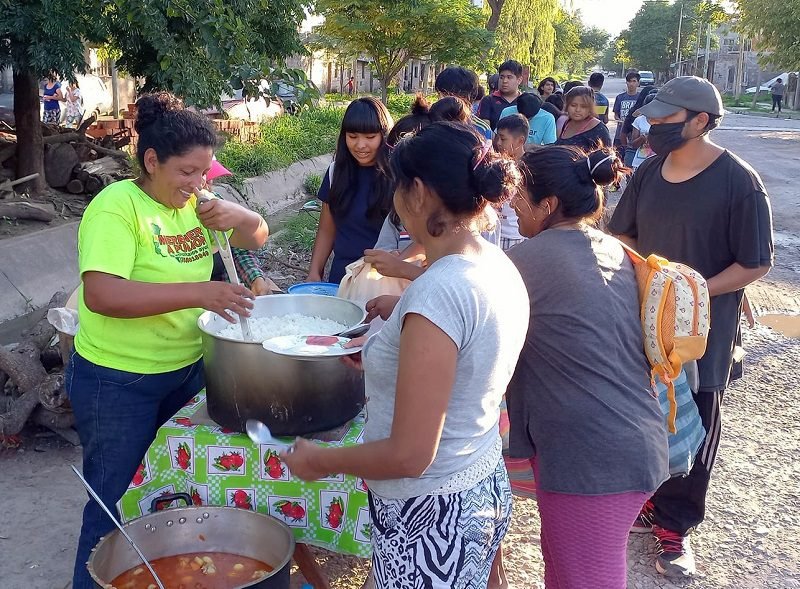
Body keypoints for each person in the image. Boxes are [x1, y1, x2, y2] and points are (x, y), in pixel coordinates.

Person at [283, 122, 529, 588]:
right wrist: (392, 339)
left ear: (416, 193)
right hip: (479, 480)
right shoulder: (493, 263)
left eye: (396, 185)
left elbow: (411, 454)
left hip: (431, 513)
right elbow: (469, 349)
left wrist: (322, 462)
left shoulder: (438, 294)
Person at [67, 92, 268, 589]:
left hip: (185, 373)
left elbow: (257, 237)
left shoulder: (197, 204)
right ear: (151, 161)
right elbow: (103, 294)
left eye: (204, 172)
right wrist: (199, 292)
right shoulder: (117, 208)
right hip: (118, 380)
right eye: (186, 172)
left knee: (175, 492)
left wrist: (239, 217)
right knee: (113, 503)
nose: (197, 183)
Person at [608, 76, 774, 578]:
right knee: (641, 412)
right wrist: (646, 279)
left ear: (700, 121)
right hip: (645, 323)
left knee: (694, 419)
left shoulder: (738, 181)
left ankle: (676, 527)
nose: (653, 127)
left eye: (666, 120)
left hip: (704, 332)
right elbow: (623, 233)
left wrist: (693, 289)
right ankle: (645, 500)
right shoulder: (649, 172)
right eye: (653, 119)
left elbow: (756, 262)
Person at [508, 144, 669, 589]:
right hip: (622, 441)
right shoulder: (610, 247)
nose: (511, 206)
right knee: (563, 567)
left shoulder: (529, 259)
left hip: (592, 458)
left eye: (518, 195)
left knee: (585, 578)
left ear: (549, 204)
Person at [307, 97, 394, 284]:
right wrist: (315, 272)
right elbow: (326, 229)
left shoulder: (398, 176)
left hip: (383, 280)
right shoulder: (335, 172)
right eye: (353, 137)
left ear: (384, 135)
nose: (360, 145)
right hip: (343, 278)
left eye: (370, 137)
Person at [206, 158, 279, 295]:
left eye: (210, 178)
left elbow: (239, 249)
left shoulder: (215, 204)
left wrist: (256, 279)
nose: (208, 185)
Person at [493, 114, 528, 251]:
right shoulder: (495, 164)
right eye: (498, 138)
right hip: (494, 231)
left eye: (503, 139)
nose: (499, 143)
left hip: (514, 235)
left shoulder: (528, 169)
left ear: (520, 141)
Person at [434, 65, 493, 140]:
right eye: (442, 95)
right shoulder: (427, 121)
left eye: (454, 97)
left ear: (471, 97)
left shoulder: (481, 129)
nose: (448, 101)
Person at [556, 87, 611, 151]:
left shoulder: (598, 128)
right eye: (573, 105)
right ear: (567, 105)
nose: (577, 110)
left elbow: (608, 156)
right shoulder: (567, 123)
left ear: (590, 108)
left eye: (583, 106)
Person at [478, 59, 524, 130]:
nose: (504, 81)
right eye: (501, 77)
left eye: (509, 77)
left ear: (519, 80)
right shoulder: (488, 100)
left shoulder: (525, 101)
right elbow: (485, 129)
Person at [613, 72, 641, 165]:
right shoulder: (620, 97)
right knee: (617, 160)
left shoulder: (641, 98)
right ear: (626, 82)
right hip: (621, 132)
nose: (631, 84)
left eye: (634, 81)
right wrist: (619, 120)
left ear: (638, 83)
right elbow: (616, 114)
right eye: (629, 81)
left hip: (635, 134)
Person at [629, 92, 657, 170]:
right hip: (640, 162)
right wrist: (642, 138)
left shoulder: (664, 120)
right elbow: (633, 144)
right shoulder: (639, 120)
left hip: (657, 161)